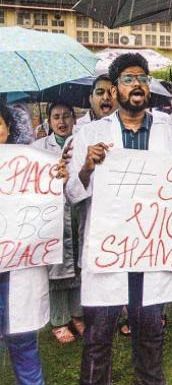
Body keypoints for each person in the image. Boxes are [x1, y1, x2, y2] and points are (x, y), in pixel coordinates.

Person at [66, 53, 172, 385]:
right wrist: (88, 167)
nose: (137, 85)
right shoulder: (90, 135)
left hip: (150, 250)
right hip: (108, 249)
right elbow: (73, 194)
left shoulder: (169, 135)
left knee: (150, 332)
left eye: (143, 79)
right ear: (114, 89)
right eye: (129, 79)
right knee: (99, 335)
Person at [0, 103, 65, 385]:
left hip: (18, 272)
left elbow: (45, 210)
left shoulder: (31, 165)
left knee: (24, 343)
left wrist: (55, 178)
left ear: (8, 128)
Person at [31, 103, 83, 344]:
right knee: (56, 265)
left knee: (79, 264)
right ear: (49, 121)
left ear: (74, 119)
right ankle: (59, 319)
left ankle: (78, 313)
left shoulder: (82, 142)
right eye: (56, 117)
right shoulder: (38, 148)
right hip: (52, 215)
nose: (61, 122)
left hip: (77, 210)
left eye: (66, 116)